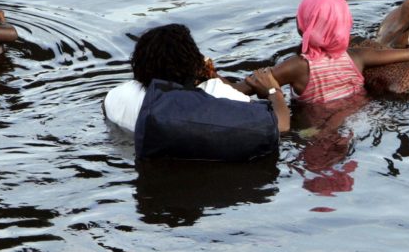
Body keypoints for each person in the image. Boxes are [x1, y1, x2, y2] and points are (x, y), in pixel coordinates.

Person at [105, 24, 288, 162]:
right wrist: (273, 90)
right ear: (193, 63)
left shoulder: (116, 95)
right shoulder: (217, 92)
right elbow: (279, 126)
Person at [235, 0, 409, 104]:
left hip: (314, 128)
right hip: (357, 118)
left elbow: (239, 91)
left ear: (303, 26)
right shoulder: (358, 56)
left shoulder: (296, 66)